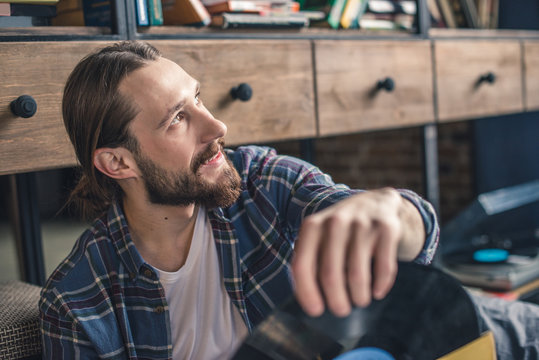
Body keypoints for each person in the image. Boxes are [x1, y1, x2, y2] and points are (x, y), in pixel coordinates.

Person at [39, 41, 439, 359]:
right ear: (117, 162)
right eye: (177, 118)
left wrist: (391, 209)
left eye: (198, 98)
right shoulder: (76, 303)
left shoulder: (265, 182)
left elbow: (415, 233)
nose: (217, 126)